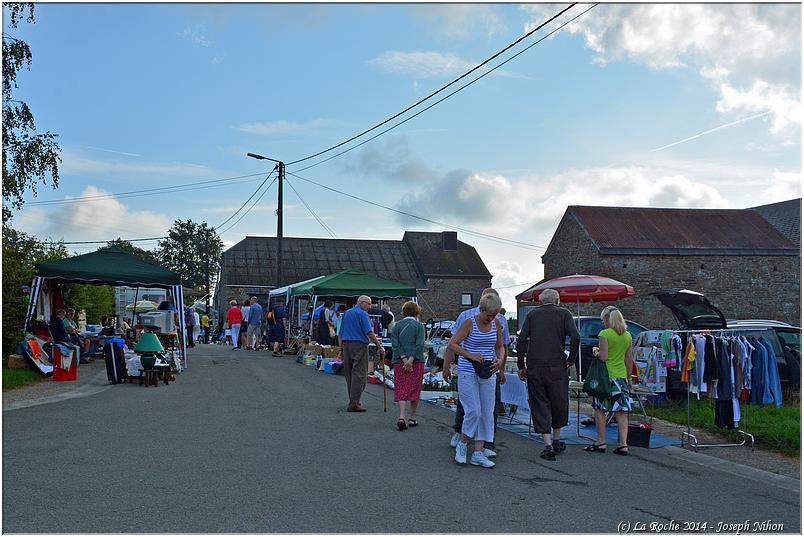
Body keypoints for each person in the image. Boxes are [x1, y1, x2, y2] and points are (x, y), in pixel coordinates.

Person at [516, 288, 580, 461]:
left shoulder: (532, 315)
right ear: (557, 300)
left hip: (536, 364)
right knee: (559, 400)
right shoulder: (564, 314)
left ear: (540, 301)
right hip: (557, 365)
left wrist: (521, 364)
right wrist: (571, 359)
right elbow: (575, 337)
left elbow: (521, 340)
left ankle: (547, 444)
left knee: (539, 401)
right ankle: (557, 438)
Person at [443, 288, 509, 453]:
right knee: (471, 408)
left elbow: (501, 346)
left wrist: (500, 363)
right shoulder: (467, 318)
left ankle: (483, 446)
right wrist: (448, 365)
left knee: (487, 409)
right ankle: (461, 437)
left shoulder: (498, 321)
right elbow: (452, 344)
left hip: (488, 370)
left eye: (495, 315)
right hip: (469, 369)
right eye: (489, 315)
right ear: (482, 307)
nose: (492, 318)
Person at [585, 306, 635, 456]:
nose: (602, 322)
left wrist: (595, 351)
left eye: (602, 319)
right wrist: (629, 377)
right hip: (621, 377)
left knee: (600, 410)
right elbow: (629, 359)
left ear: (607, 319)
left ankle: (600, 442)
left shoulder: (605, 334)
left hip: (606, 377)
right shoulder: (627, 336)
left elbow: (603, 357)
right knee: (621, 412)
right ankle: (623, 445)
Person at [340, 295, 386, 412]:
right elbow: (369, 332)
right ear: (362, 303)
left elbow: (340, 332)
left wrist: (341, 348)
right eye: (369, 304)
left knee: (349, 373)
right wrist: (379, 346)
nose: (370, 307)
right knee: (359, 374)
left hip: (347, 344)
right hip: (359, 344)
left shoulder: (347, 313)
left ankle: (353, 400)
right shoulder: (362, 314)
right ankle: (354, 403)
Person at [390, 301, 426, 430]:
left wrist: (404, 359)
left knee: (401, 386)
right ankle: (413, 417)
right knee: (415, 387)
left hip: (399, 361)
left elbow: (395, 344)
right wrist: (411, 360)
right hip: (416, 361)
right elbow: (420, 344)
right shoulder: (419, 326)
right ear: (417, 312)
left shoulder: (397, 326)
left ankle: (401, 416)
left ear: (403, 312)